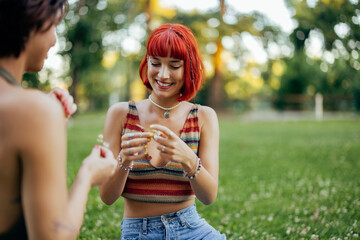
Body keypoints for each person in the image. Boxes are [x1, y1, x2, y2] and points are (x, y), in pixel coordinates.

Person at [0, 0, 117, 239]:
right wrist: (88, 174)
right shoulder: (35, 112)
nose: (54, 40)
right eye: (54, 25)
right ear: (33, 22)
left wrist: (47, 129)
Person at [99, 23, 226, 239]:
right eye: (155, 63)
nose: (163, 74)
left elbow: (209, 196)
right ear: (146, 63)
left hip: (191, 228)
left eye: (174, 66)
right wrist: (124, 161)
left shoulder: (203, 117)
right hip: (139, 232)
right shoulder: (120, 114)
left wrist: (189, 159)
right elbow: (107, 197)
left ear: (189, 68)